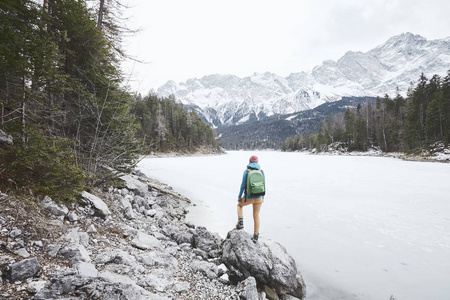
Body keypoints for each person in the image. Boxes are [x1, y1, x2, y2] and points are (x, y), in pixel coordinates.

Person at [236, 155, 265, 242]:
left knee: (239, 205)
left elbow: (242, 186)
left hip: (248, 197)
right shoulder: (261, 171)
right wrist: (262, 197)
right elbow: (264, 185)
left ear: (249, 162)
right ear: (257, 162)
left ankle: (240, 222)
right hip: (259, 197)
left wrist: (239, 196)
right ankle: (256, 235)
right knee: (256, 216)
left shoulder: (247, 172)